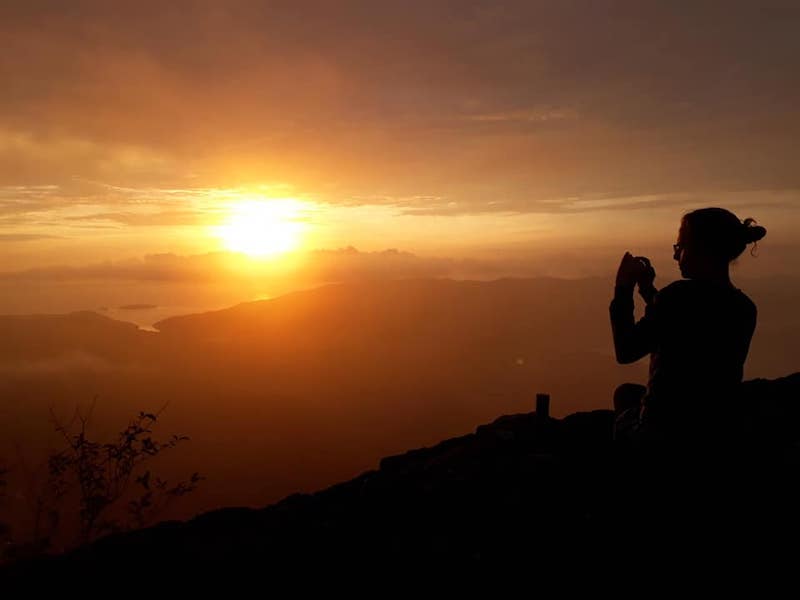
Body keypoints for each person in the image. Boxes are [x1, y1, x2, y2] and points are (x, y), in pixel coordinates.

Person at [610, 207, 767, 446]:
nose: (676, 256)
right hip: (714, 427)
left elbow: (626, 350)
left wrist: (623, 289)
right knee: (627, 393)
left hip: (663, 430)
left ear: (702, 250)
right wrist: (648, 291)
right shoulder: (744, 307)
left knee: (623, 399)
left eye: (680, 247)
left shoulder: (676, 298)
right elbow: (689, 323)